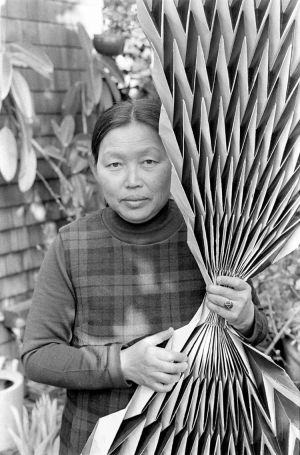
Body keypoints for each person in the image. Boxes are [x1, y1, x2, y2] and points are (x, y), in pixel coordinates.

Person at [22, 98, 268, 454]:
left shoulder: (211, 238)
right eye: (115, 164)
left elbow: (257, 334)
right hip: (98, 441)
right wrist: (121, 364)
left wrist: (245, 317)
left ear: (174, 163)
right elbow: (38, 355)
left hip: (201, 434)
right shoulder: (71, 245)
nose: (132, 180)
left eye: (149, 161)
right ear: (95, 169)